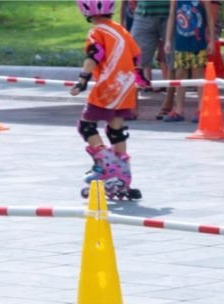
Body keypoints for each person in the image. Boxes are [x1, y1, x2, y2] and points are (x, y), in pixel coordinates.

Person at [70, 0, 147, 200]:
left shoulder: (97, 32)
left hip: (107, 87)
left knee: (86, 127)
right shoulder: (121, 30)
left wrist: (82, 80)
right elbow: (136, 57)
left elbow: (95, 55)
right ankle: (122, 177)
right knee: (116, 129)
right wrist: (138, 77)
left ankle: (107, 168)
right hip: (126, 85)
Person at [164, 0, 216, 122]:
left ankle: (201, 109)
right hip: (181, 43)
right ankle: (179, 110)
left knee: (198, 74)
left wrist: (212, 41)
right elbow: (172, 16)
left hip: (198, 43)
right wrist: (168, 40)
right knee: (180, 74)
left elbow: (210, 18)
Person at [129, 0, 173, 117]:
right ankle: (131, 106)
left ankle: (169, 105)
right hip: (144, 13)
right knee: (135, 60)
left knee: (173, 61)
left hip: (171, 14)